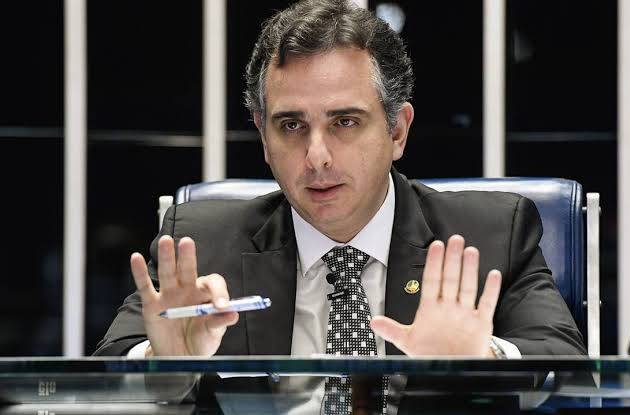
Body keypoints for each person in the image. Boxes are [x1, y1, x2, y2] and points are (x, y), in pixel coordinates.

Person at [95, 0, 583, 365]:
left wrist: (483, 358)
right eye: (291, 125)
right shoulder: (199, 243)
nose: (317, 157)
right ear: (263, 137)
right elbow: (107, 368)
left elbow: (565, 361)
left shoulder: (490, 234)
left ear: (397, 131)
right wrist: (159, 364)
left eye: (345, 122)